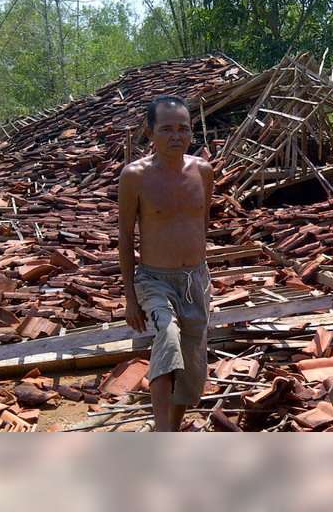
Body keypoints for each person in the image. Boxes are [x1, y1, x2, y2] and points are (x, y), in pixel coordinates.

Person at [118, 95, 214, 432]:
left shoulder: (202, 171)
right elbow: (127, 238)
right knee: (168, 338)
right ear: (150, 132)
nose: (177, 136)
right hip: (154, 280)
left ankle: (172, 429)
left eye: (183, 129)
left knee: (190, 365)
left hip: (194, 280)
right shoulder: (135, 176)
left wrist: (199, 270)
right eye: (167, 129)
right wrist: (131, 297)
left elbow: (201, 222)